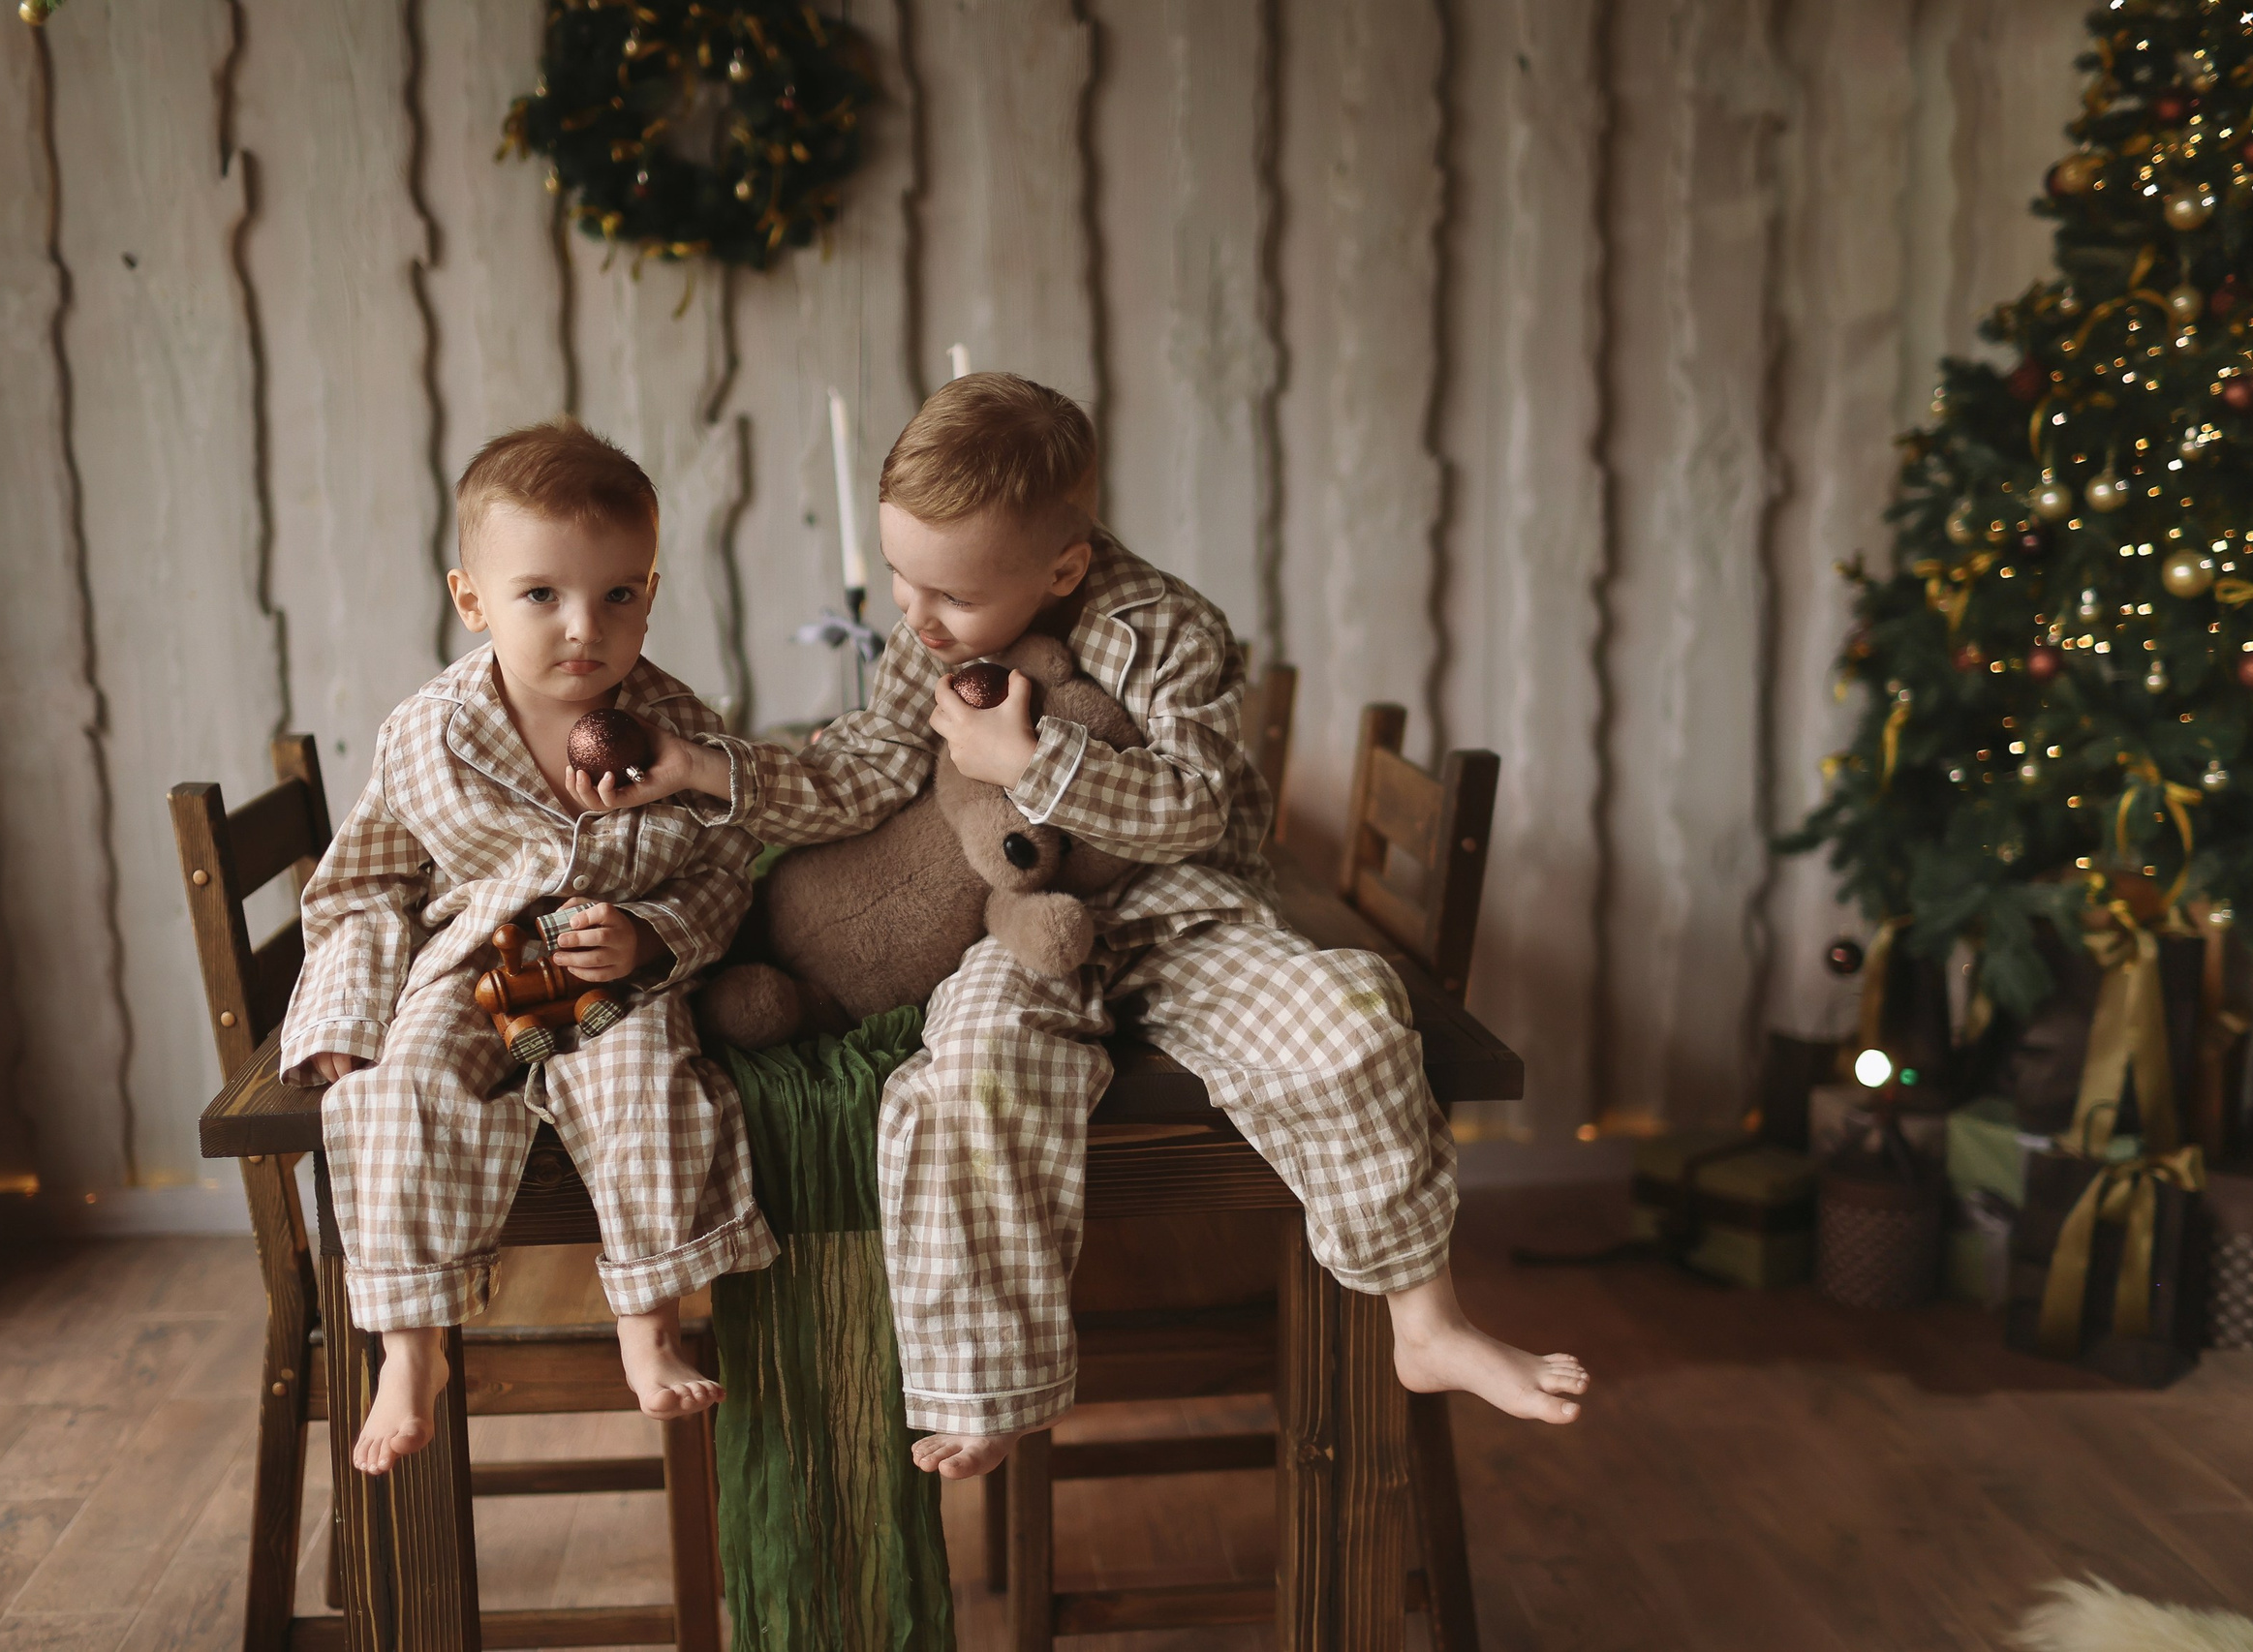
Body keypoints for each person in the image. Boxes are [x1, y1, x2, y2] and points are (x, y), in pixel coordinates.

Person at [625, 373, 1585, 1481]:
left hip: (1177, 912)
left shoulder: (1170, 629)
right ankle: (986, 1381)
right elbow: (867, 770)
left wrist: (1032, 761)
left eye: (948, 593)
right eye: (898, 576)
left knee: (1349, 1019)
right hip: (1016, 925)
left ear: (1063, 567)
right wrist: (708, 769)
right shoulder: (925, 636)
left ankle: (1427, 1320)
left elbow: (1195, 805)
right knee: (966, 1071)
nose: (915, 616)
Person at [284, 418, 776, 1475]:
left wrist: (653, 936)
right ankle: (410, 1347)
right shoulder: (429, 733)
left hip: (606, 973)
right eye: (541, 594)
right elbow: (365, 884)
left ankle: (649, 1318)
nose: (583, 628)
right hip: (475, 967)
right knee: (398, 1092)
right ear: (473, 599)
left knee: (648, 1084)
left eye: (618, 594)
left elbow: (728, 870)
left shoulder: (676, 727)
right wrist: (343, 1018)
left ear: (651, 590)